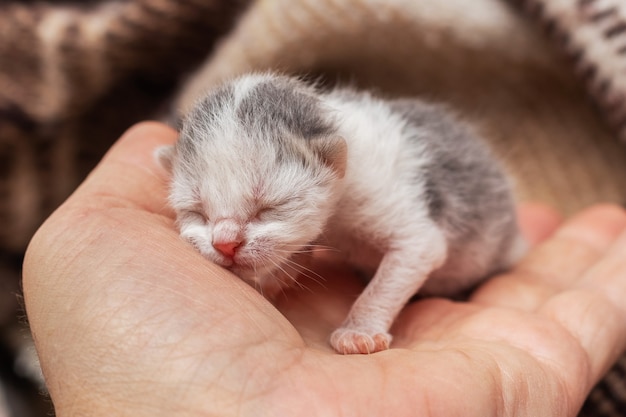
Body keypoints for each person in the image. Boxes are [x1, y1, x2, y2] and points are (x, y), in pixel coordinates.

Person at [22, 122, 626, 416]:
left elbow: (422, 247)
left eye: (266, 207)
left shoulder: (368, 171)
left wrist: (366, 318)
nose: (225, 239)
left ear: (332, 163)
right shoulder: (302, 184)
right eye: (198, 210)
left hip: (480, 250)